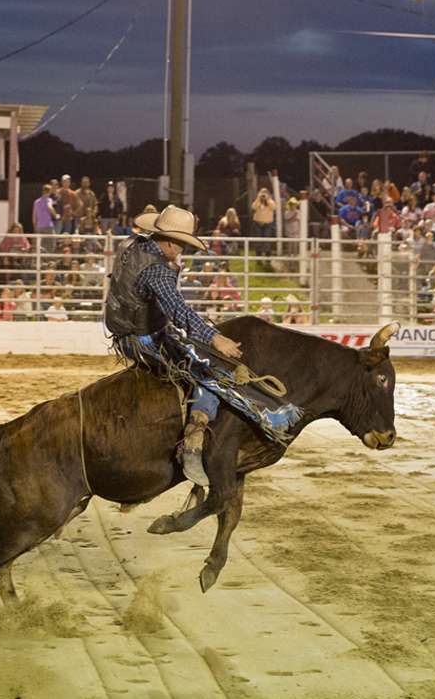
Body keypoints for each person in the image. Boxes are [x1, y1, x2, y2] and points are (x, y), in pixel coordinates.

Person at [104, 205, 301, 488]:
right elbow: (179, 311)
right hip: (142, 339)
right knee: (206, 372)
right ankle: (193, 443)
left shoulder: (131, 244)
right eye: (182, 245)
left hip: (124, 329)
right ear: (171, 241)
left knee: (199, 355)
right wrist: (214, 337)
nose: (183, 251)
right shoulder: (158, 271)